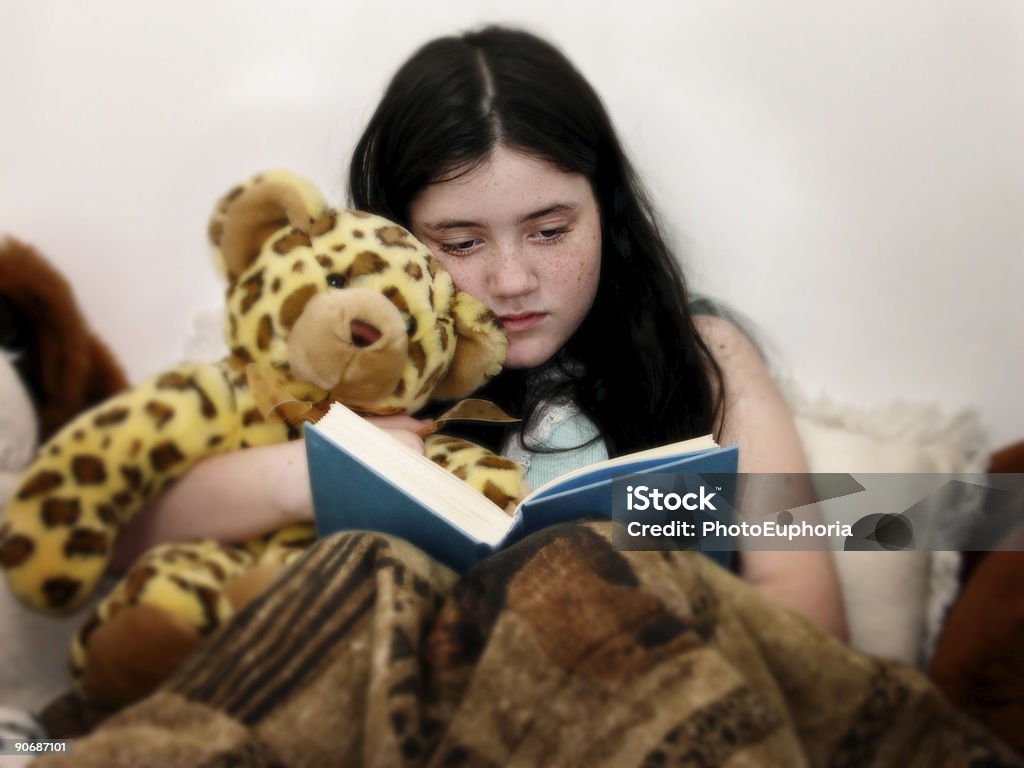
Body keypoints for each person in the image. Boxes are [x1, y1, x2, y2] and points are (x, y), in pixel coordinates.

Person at [113, 25, 846, 640]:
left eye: (551, 230)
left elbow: (812, 617)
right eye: (460, 244)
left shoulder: (702, 358)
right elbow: (127, 543)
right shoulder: (346, 356)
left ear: (607, 214)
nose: (512, 280)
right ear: (396, 238)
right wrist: (325, 471)